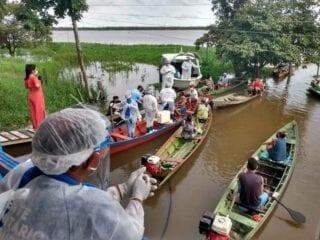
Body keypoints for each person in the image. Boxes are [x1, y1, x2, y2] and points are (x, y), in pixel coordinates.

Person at [0, 108, 157, 240]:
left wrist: (124, 187)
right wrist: (137, 198)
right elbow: (130, 235)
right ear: (92, 160)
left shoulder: (21, 172)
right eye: (101, 156)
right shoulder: (92, 204)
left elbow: (73, 200)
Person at [24, 64, 46, 130]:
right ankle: (40, 128)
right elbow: (37, 85)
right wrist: (38, 79)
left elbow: (26, 87)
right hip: (37, 96)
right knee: (39, 111)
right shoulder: (33, 77)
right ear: (32, 70)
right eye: (35, 69)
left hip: (31, 96)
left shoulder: (27, 78)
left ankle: (35, 127)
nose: (36, 70)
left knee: (33, 112)